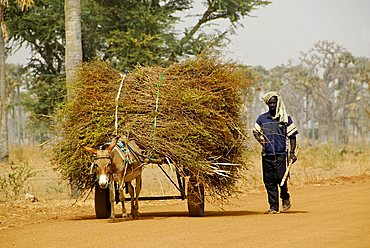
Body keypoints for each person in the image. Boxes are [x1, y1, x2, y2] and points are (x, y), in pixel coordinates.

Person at [253, 91, 298, 214]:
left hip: (280, 155)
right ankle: (273, 207)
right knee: (269, 181)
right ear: (268, 104)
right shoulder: (262, 119)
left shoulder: (285, 119)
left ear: (278, 103)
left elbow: (292, 136)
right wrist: (263, 142)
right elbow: (255, 132)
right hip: (267, 155)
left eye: (274, 103)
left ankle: (285, 195)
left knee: (281, 179)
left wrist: (292, 153)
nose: (272, 105)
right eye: (270, 103)